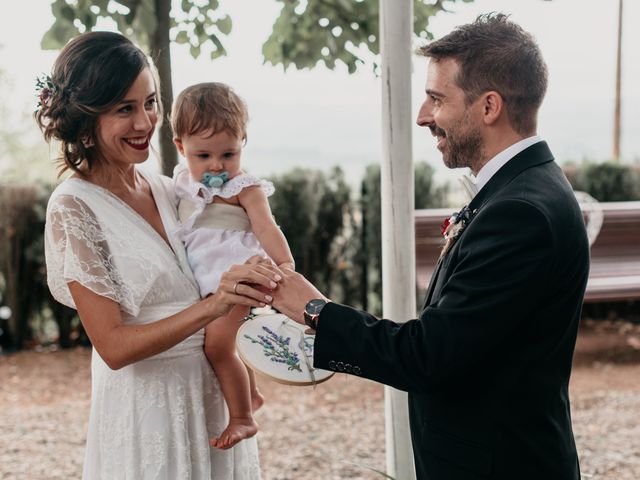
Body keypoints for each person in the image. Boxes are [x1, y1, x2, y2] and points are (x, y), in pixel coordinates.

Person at [271, 13, 589, 480]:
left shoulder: (520, 212)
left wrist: (316, 310)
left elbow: (429, 356)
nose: (423, 116)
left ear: (489, 107)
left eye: (437, 99)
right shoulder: (521, 189)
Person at [37, 31, 281, 479]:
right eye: (124, 109)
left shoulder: (170, 188)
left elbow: (230, 242)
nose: (145, 122)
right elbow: (112, 346)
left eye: (150, 102)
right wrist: (214, 306)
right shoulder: (74, 207)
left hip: (211, 406)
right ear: (84, 119)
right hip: (147, 413)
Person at [170, 82, 295, 449]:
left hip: (240, 279)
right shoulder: (181, 183)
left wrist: (284, 264)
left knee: (218, 348)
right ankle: (251, 393)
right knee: (229, 341)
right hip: (212, 284)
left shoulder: (244, 187)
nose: (216, 166)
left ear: (243, 142)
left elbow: (266, 227)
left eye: (228, 154)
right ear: (181, 148)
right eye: (203, 156)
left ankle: (243, 417)